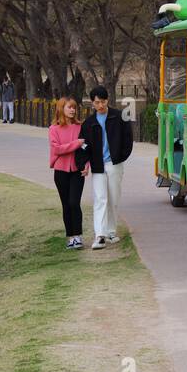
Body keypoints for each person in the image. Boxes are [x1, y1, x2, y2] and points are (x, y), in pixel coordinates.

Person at [80, 85, 133, 250]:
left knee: (113, 198)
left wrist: (120, 157)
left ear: (107, 100)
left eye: (103, 102)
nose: (100, 105)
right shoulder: (88, 123)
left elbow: (128, 139)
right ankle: (100, 235)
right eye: (97, 102)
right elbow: (83, 145)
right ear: (92, 103)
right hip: (97, 165)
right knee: (100, 199)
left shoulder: (119, 117)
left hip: (114, 164)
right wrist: (84, 163)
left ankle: (111, 231)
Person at [49, 97, 89, 250]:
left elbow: (86, 148)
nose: (72, 110)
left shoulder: (80, 127)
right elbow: (57, 149)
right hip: (60, 171)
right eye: (69, 107)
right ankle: (70, 237)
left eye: (74, 107)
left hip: (77, 171)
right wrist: (76, 144)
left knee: (74, 202)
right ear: (61, 109)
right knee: (66, 205)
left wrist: (87, 165)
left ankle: (78, 237)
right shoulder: (54, 129)